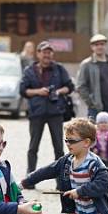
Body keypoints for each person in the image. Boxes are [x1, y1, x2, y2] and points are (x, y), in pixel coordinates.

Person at [21, 41, 75, 183]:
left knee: (59, 147)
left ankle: (62, 180)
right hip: (36, 113)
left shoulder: (59, 69)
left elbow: (70, 86)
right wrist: (38, 91)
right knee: (33, 147)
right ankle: (30, 178)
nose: (47, 55)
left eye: (49, 52)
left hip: (55, 112)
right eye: (44, 52)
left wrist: (58, 91)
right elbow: (23, 90)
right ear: (38, 53)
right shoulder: (29, 70)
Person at [76, 34, 108, 123]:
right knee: (95, 135)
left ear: (105, 46)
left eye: (102, 44)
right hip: (96, 109)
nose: (99, 47)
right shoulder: (86, 64)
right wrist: (91, 102)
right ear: (92, 47)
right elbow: (80, 86)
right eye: (96, 45)